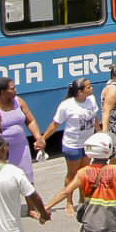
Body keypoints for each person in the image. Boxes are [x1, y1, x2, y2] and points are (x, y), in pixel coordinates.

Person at [45, 78, 99, 213]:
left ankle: (83, 199)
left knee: (86, 173)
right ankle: (69, 202)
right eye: (88, 87)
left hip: (88, 144)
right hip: (73, 145)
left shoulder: (91, 100)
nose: (91, 88)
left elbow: (95, 118)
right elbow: (55, 124)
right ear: (80, 91)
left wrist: (101, 132)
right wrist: (42, 139)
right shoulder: (66, 105)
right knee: (72, 174)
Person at [0, 77, 45, 179]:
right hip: (2, 152)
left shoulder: (19, 101)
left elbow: (30, 121)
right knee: (7, 181)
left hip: (21, 148)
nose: (15, 90)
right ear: (3, 92)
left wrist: (38, 138)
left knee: (26, 180)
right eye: (12, 89)